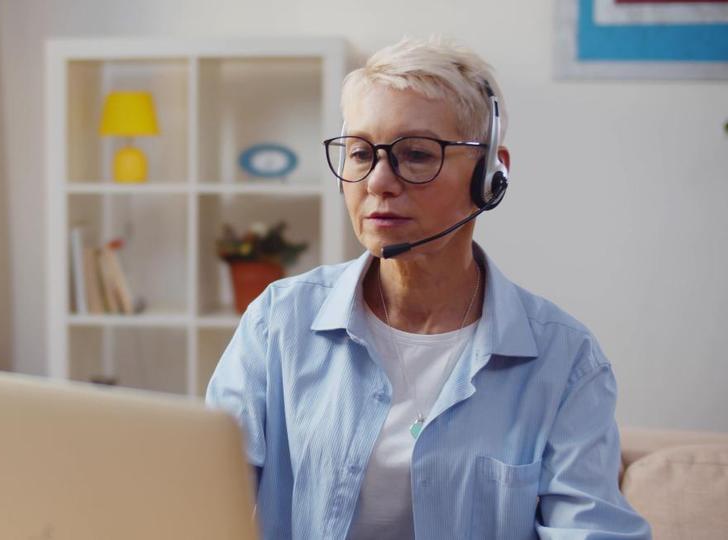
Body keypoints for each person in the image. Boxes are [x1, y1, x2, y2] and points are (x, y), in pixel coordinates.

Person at [205, 37, 651, 540]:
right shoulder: (277, 323)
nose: (377, 182)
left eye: (415, 154)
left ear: (491, 173)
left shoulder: (565, 361)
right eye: (359, 153)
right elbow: (199, 501)